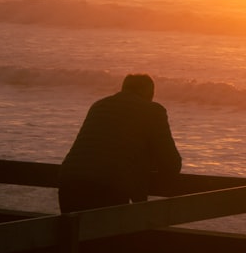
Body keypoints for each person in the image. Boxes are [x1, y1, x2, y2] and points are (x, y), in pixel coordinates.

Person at [58, 74, 182, 212]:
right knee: (112, 231)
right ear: (150, 93)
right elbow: (172, 162)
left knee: (73, 232)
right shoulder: (153, 111)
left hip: (69, 180)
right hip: (109, 184)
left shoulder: (99, 105)